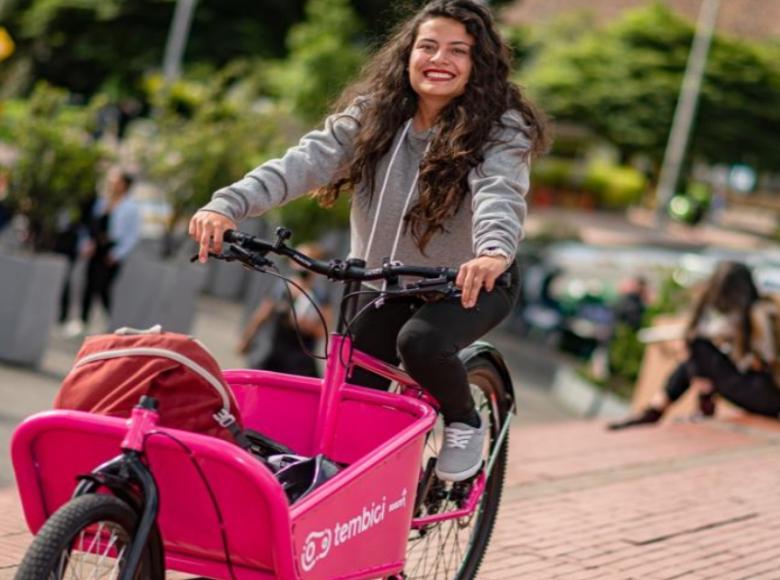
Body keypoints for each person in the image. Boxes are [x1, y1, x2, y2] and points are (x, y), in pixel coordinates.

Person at [189, 0, 548, 481]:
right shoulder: (373, 116)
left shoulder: (500, 128)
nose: (439, 59)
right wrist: (226, 204)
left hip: (470, 281)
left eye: (458, 51)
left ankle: (464, 420)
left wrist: (492, 252)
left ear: (477, 64)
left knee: (420, 343)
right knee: (351, 403)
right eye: (428, 46)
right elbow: (302, 163)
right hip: (381, 281)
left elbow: (499, 194)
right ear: (408, 55)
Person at [609, 261, 780, 430]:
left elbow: (765, 359)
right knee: (695, 355)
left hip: (766, 392)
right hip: (760, 392)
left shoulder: (759, 313)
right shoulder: (749, 313)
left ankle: (663, 410)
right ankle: (659, 410)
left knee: (697, 347)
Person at [65, 169, 141, 336]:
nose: (112, 184)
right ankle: (81, 321)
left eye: (116, 181)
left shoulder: (131, 208)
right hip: (95, 248)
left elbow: (132, 235)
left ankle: (108, 323)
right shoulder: (102, 202)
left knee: (103, 287)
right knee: (88, 285)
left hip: (112, 250)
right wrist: (86, 243)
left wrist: (118, 253)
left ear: (124, 185)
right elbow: (91, 226)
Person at [238, 243, 332, 377]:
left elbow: (324, 331)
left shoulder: (319, 296)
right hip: (272, 354)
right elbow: (262, 315)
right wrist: (247, 339)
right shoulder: (282, 287)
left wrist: (307, 326)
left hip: (300, 362)